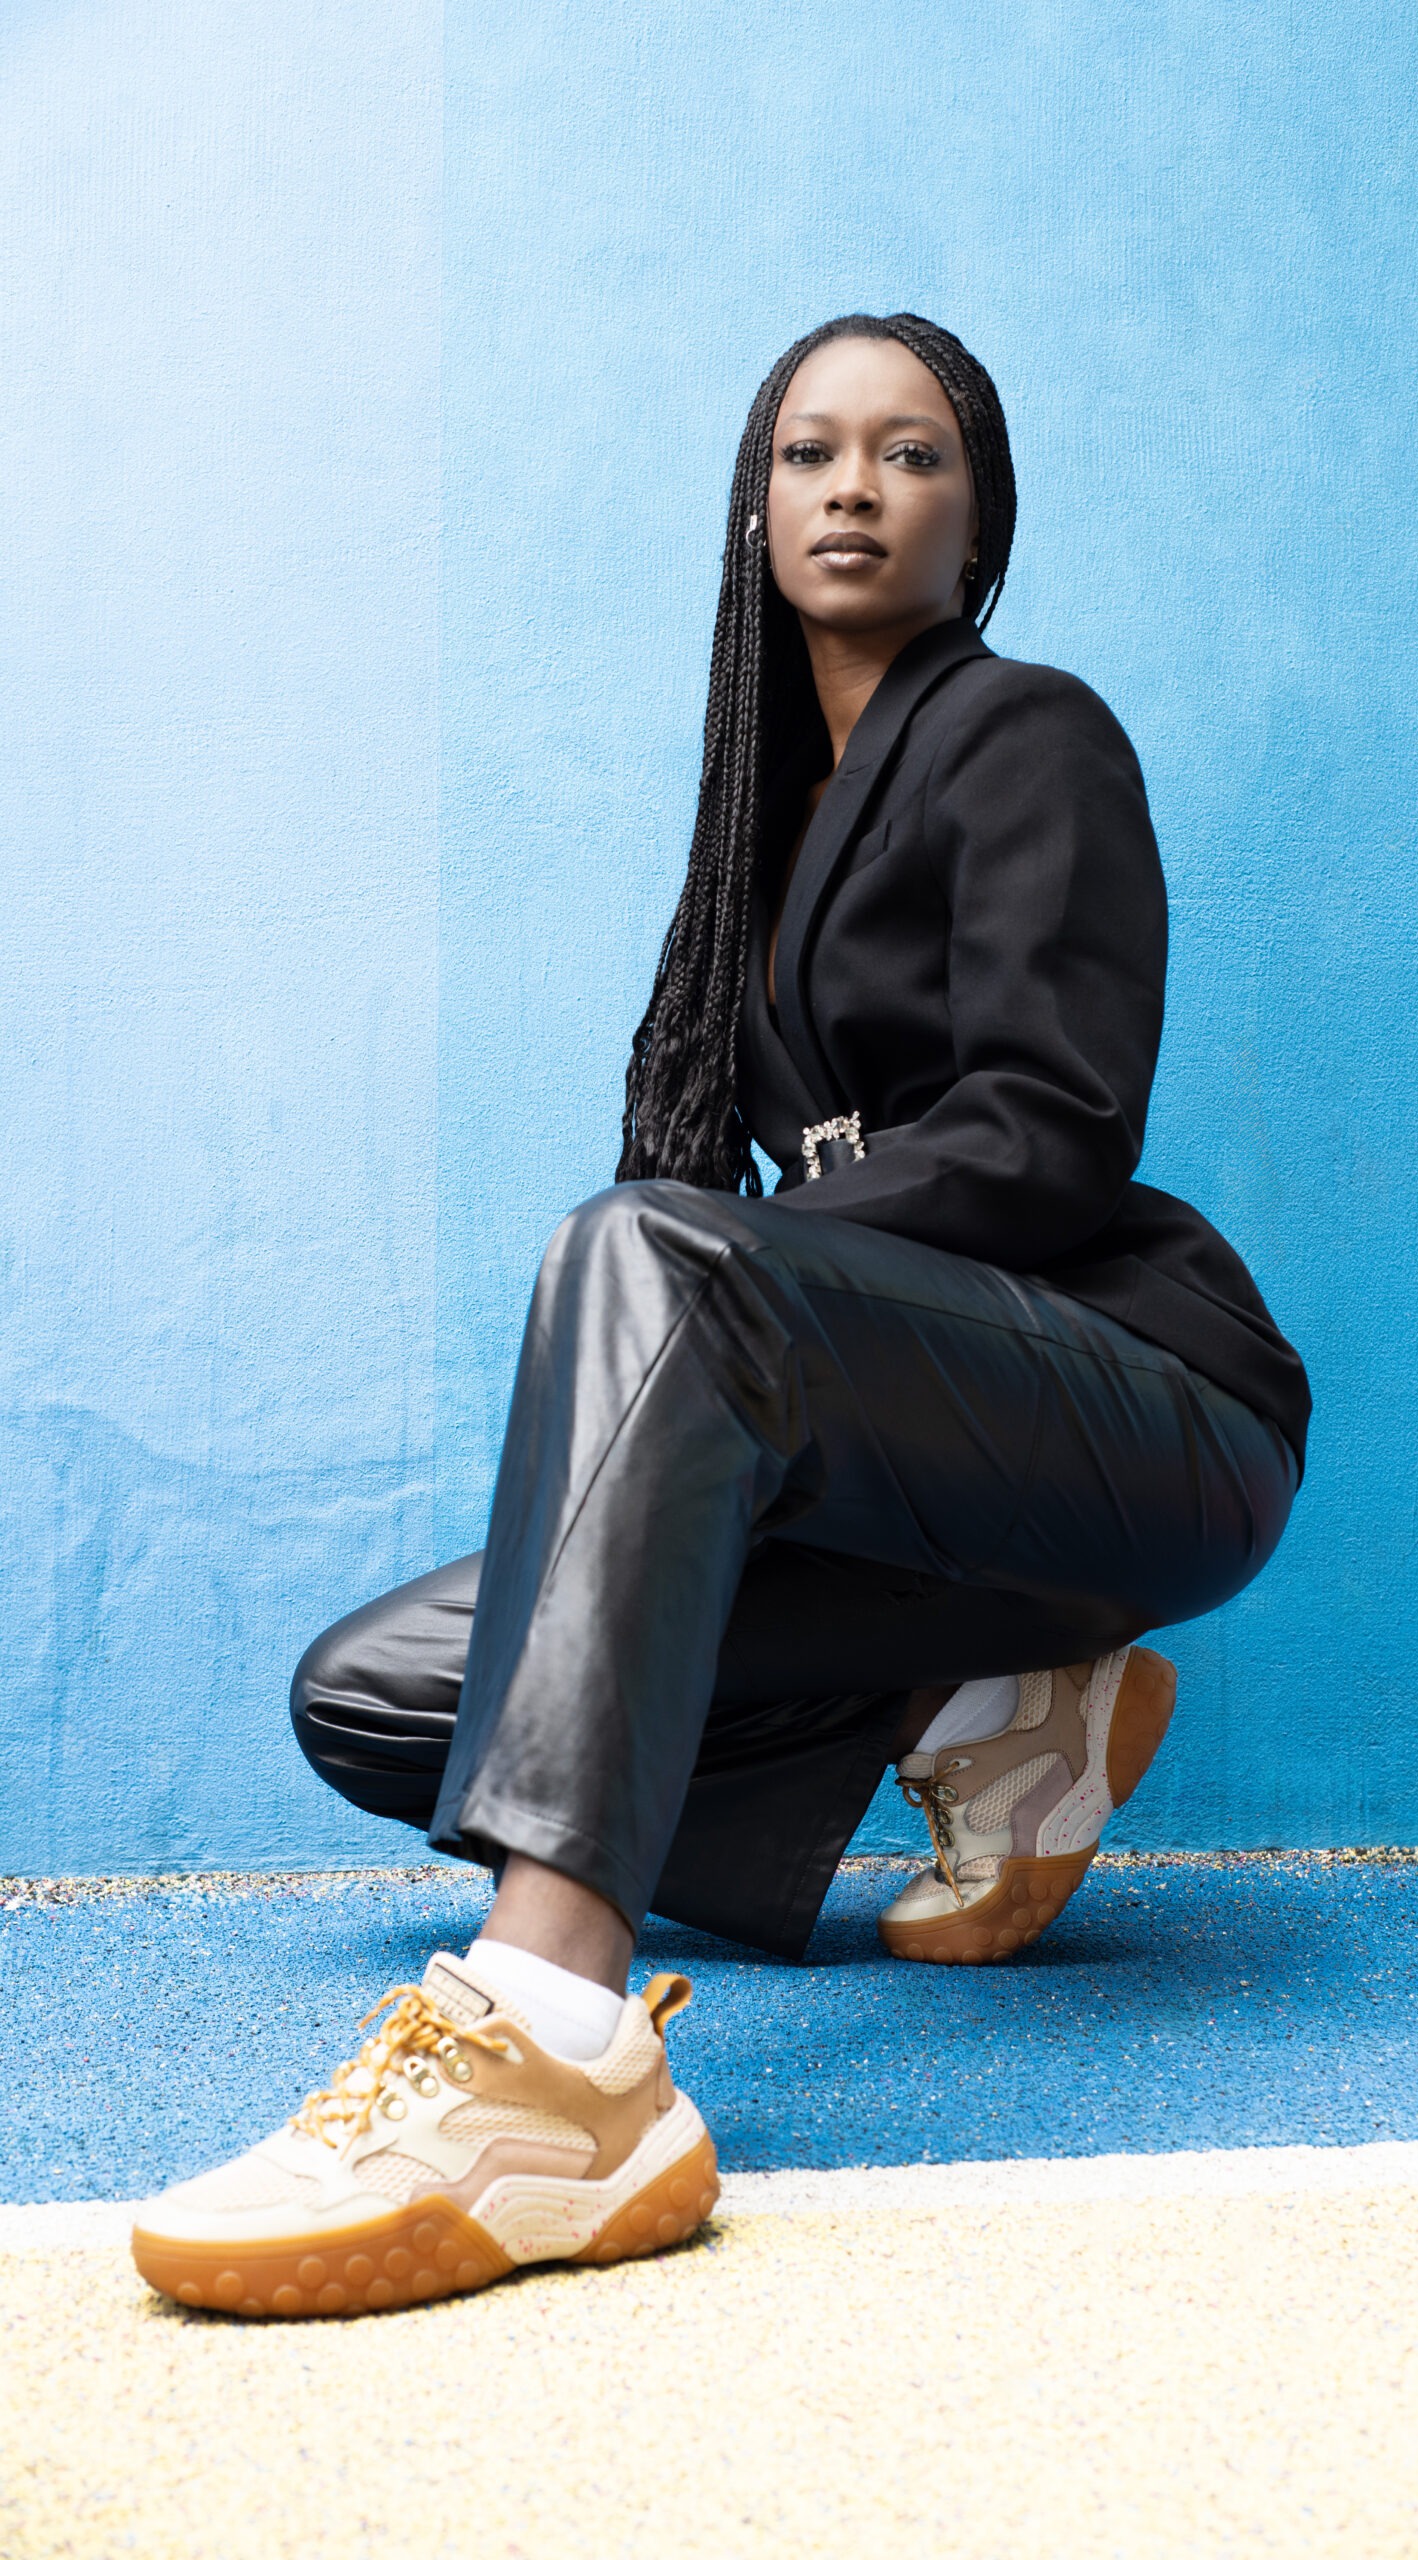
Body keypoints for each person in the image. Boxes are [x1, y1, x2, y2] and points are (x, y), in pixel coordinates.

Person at [131, 312, 1309, 2320]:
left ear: (979, 521)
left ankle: (550, 2045)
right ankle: (991, 1703)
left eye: (911, 454)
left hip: (1143, 1409)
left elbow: (1048, 1134)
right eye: (808, 453)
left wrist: (730, 1266)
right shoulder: (753, 839)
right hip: (919, 1477)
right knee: (383, 1697)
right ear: (752, 509)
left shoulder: (1030, 732)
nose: (855, 488)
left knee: (650, 1251)